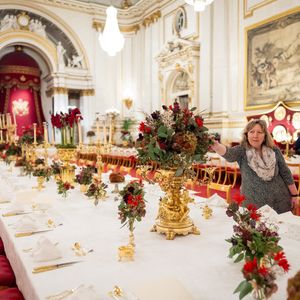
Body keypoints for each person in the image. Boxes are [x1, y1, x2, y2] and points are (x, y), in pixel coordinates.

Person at [210, 119, 297, 214]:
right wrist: (216, 146)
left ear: (265, 135)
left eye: (259, 132)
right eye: (252, 132)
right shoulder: (242, 150)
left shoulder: (274, 150)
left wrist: (294, 195)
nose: (255, 135)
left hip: (280, 201)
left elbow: (285, 172)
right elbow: (229, 154)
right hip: (253, 203)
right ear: (247, 135)